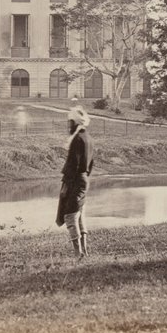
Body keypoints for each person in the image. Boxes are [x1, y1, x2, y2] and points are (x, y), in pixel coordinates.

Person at [57, 102, 95, 258]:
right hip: (83, 179)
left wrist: (67, 184)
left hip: (75, 180)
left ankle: (78, 252)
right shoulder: (88, 138)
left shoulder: (77, 139)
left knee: (70, 215)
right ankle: (83, 250)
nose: (68, 126)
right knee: (80, 213)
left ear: (75, 123)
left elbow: (73, 164)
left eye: (70, 123)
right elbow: (91, 164)